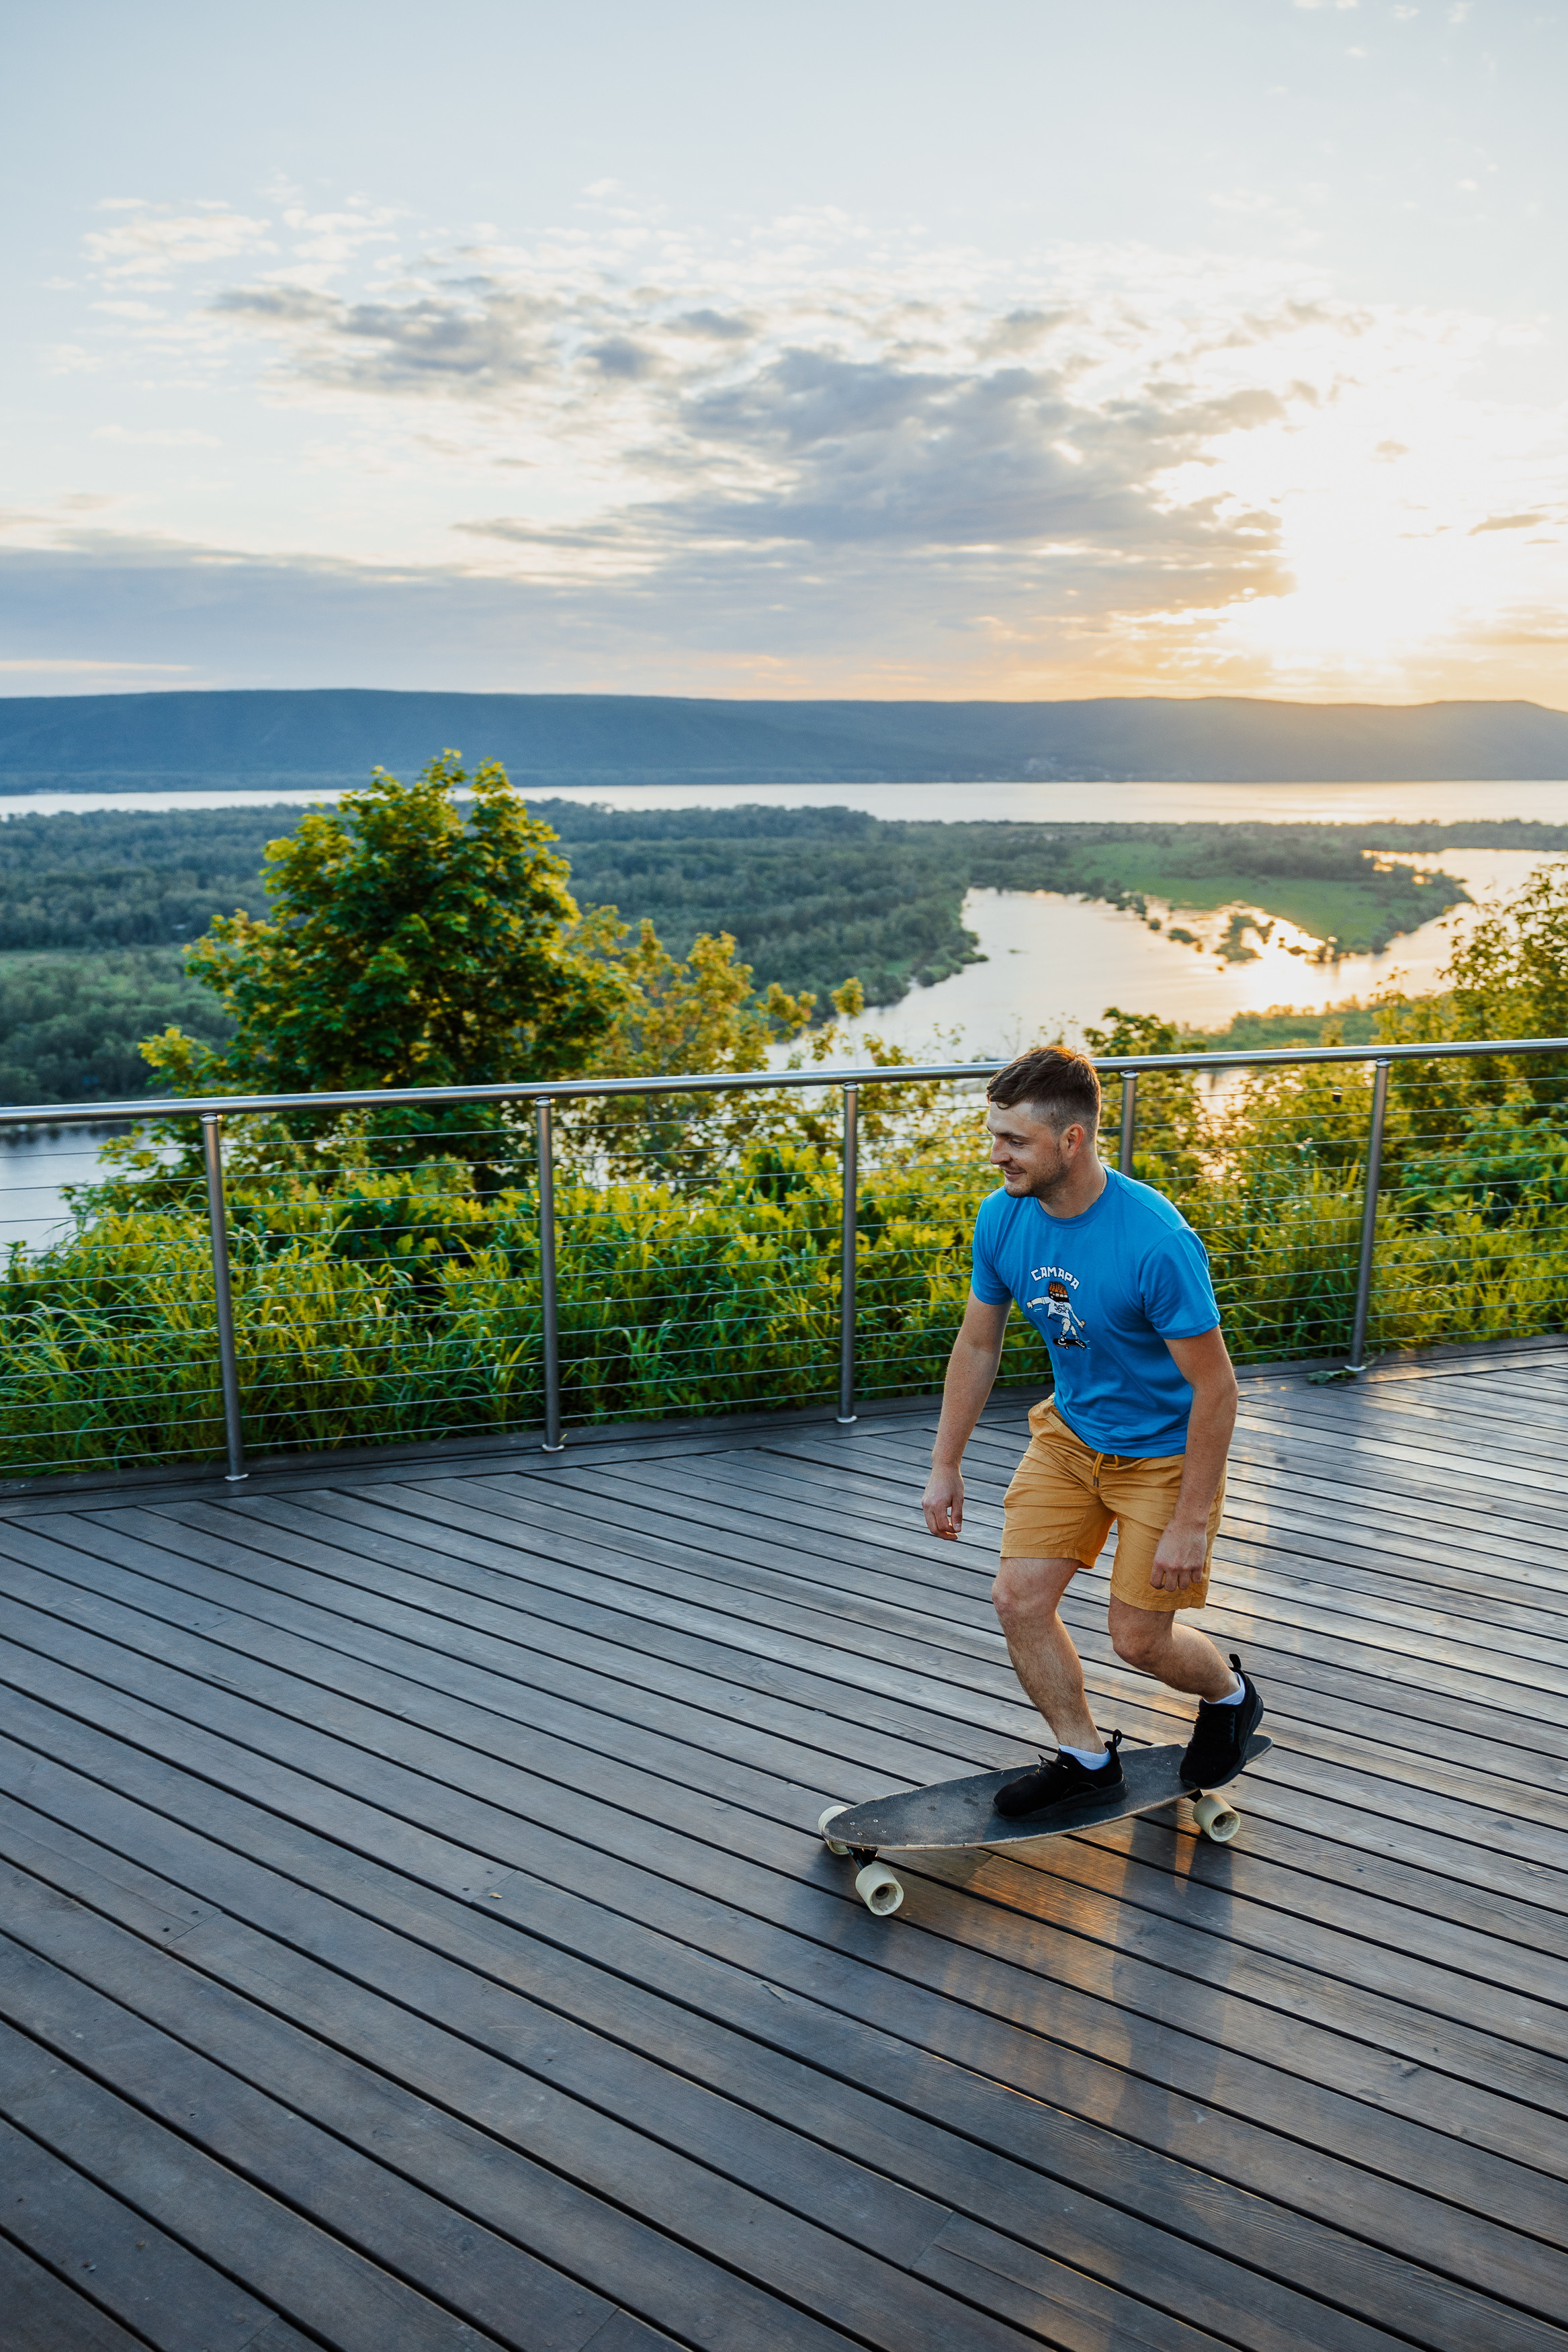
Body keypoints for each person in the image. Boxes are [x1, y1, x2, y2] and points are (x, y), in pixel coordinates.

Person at [921, 1044, 1264, 1816]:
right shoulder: (1003, 1216)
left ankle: (1231, 1695)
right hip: (1072, 1437)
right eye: (993, 1134)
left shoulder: (1155, 1241)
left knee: (1139, 1640)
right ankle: (1084, 1757)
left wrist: (1190, 1521)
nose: (995, 1153)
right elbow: (979, 1342)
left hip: (1165, 1456)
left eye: (1014, 1140)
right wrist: (946, 1462)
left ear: (1070, 1140)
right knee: (1018, 1598)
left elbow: (1217, 1389)